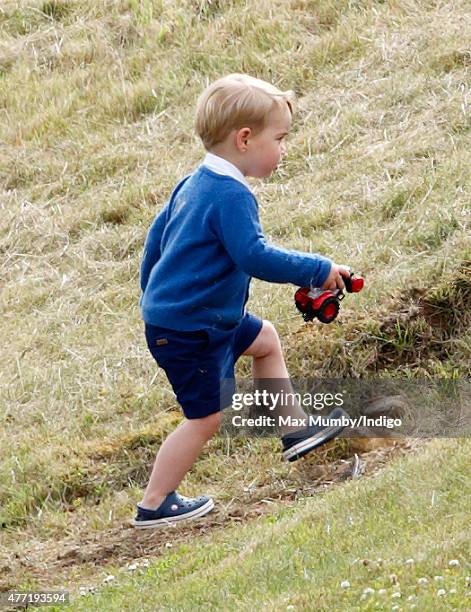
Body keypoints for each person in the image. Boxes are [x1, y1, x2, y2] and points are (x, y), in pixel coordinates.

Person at [133, 74, 351, 529]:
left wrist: (154, 298)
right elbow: (254, 255)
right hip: (192, 328)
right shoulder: (231, 195)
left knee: (266, 340)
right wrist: (318, 270)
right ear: (245, 139)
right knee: (205, 418)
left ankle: (294, 431)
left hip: (201, 316)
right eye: (280, 139)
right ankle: (154, 503)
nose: (284, 150)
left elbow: (155, 245)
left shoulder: (193, 182)